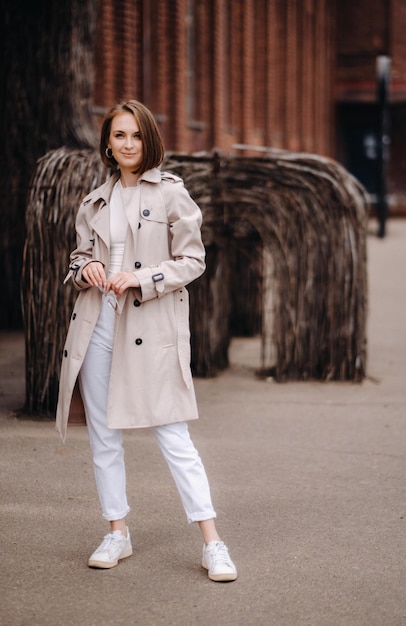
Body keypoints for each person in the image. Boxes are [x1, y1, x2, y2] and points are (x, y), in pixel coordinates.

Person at [56, 100, 237, 582]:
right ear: (108, 145)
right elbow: (78, 257)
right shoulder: (93, 201)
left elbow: (193, 260)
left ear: (148, 139)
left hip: (149, 329)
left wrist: (143, 278)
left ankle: (212, 543)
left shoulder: (173, 194)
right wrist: (86, 268)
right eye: (119, 136)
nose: (128, 144)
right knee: (103, 437)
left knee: (174, 436)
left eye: (136, 135)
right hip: (97, 325)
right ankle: (118, 531)